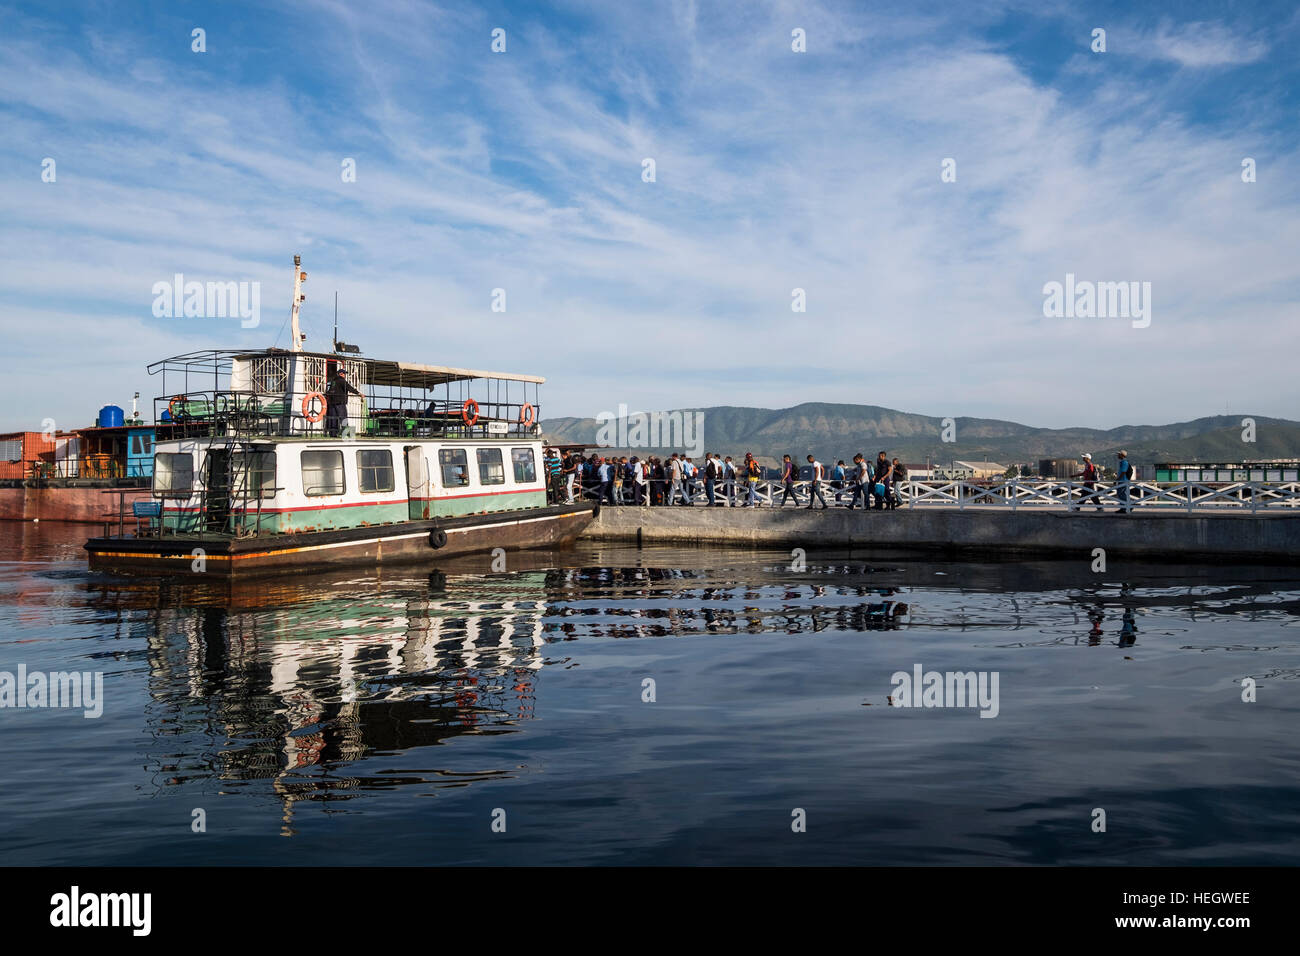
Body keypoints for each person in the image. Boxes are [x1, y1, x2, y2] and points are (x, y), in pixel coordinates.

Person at [324, 367, 362, 437]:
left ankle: (333, 434)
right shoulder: (342, 381)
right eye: (344, 374)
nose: (345, 375)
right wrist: (359, 393)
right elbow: (349, 388)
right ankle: (346, 434)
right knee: (343, 418)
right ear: (341, 374)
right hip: (340, 403)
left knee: (333, 419)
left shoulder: (333, 382)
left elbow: (329, 392)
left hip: (332, 404)